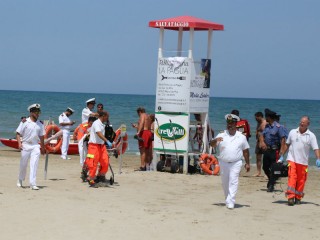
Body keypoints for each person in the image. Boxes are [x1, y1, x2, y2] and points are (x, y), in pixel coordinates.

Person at [210, 114, 250, 209]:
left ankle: (231, 201)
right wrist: (215, 140)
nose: (230, 125)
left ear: (236, 124)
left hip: (236, 163)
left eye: (232, 123)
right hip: (223, 162)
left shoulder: (241, 136)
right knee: (225, 182)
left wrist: (247, 163)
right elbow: (212, 145)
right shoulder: (221, 134)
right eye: (228, 123)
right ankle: (227, 198)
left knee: (233, 180)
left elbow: (245, 150)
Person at [279, 116, 320, 206]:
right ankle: (290, 197)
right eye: (301, 121)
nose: (301, 123)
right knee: (292, 177)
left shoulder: (311, 136)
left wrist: (318, 158)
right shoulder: (293, 132)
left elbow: (316, 148)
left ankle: (298, 197)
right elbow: (287, 144)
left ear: (308, 124)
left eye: (303, 122)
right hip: (292, 159)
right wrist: (282, 155)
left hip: (303, 162)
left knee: (301, 180)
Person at [16, 103, 45, 190]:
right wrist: (19, 144)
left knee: (34, 164)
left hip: (35, 146)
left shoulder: (40, 124)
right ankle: (20, 179)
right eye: (36, 112)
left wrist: (42, 147)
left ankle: (33, 184)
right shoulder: (25, 122)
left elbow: (42, 136)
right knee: (23, 164)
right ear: (31, 112)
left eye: (38, 112)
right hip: (26, 145)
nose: (38, 114)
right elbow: (18, 133)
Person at [259, 108, 287, 192]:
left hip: (275, 150)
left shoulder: (279, 127)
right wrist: (262, 142)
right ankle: (272, 180)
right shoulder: (266, 126)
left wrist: (282, 151)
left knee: (274, 168)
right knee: (265, 167)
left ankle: (271, 185)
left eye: (266, 116)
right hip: (267, 150)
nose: (265, 118)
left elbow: (283, 139)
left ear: (269, 117)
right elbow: (261, 135)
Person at [85, 111, 111, 187]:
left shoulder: (102, 124)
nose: (108, 118)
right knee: (93, 163)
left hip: (101, 146)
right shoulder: (96, 123)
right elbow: (99, 133)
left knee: (105, 161)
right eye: (107, 116)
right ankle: (91, 178)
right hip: (93, 146)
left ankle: (100, 176)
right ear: (103, 116)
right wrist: (107, 141)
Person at [75, 116, 97, 182]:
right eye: (91, 123)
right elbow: (79, 134)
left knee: (89, 158)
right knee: (84, 158)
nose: (92, 125)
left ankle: (85, 173)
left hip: (89, 144)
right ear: (89, 122)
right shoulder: (84, 126)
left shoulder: (94, 126)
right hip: (82, 143)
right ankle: (84, 173)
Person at [132, 107, 153, 171]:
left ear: (140, 112)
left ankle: (142, 166)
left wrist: (138, 132)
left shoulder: (142, 115)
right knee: (147, 150)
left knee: (142, 150)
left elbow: (142, 123)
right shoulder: (148, 116)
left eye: (138, 113)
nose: (138, 115)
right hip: (149, 133)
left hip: (144, 133)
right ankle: (147, 165)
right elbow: (146, 126)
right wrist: (137, 126)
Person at [254, 112, 267, 177]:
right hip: (258, 141)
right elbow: (258, 132)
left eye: (256, 117)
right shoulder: (258, 123)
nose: (255, 119)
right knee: (258, 158)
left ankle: (266, 172)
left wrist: (263, 142)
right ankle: (258, 172)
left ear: (260, 116)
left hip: (264, 142)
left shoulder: (265, 123)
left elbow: (266, 133)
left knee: (266, 158)